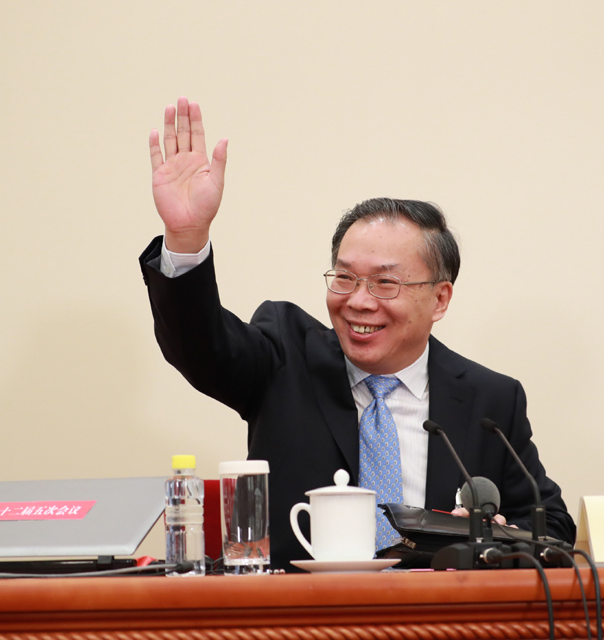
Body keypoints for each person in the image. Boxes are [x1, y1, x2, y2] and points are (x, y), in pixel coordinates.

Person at [139, 97, 576, 570]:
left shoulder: (491, 401)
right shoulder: (285, 355)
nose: (359, 301)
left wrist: (488, 538)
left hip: (434, 629)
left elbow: (552, 532)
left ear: (440, 299)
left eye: (385, 282)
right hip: (298, 626)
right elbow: (200, 347)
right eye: (345, 277)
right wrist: (186, 238)